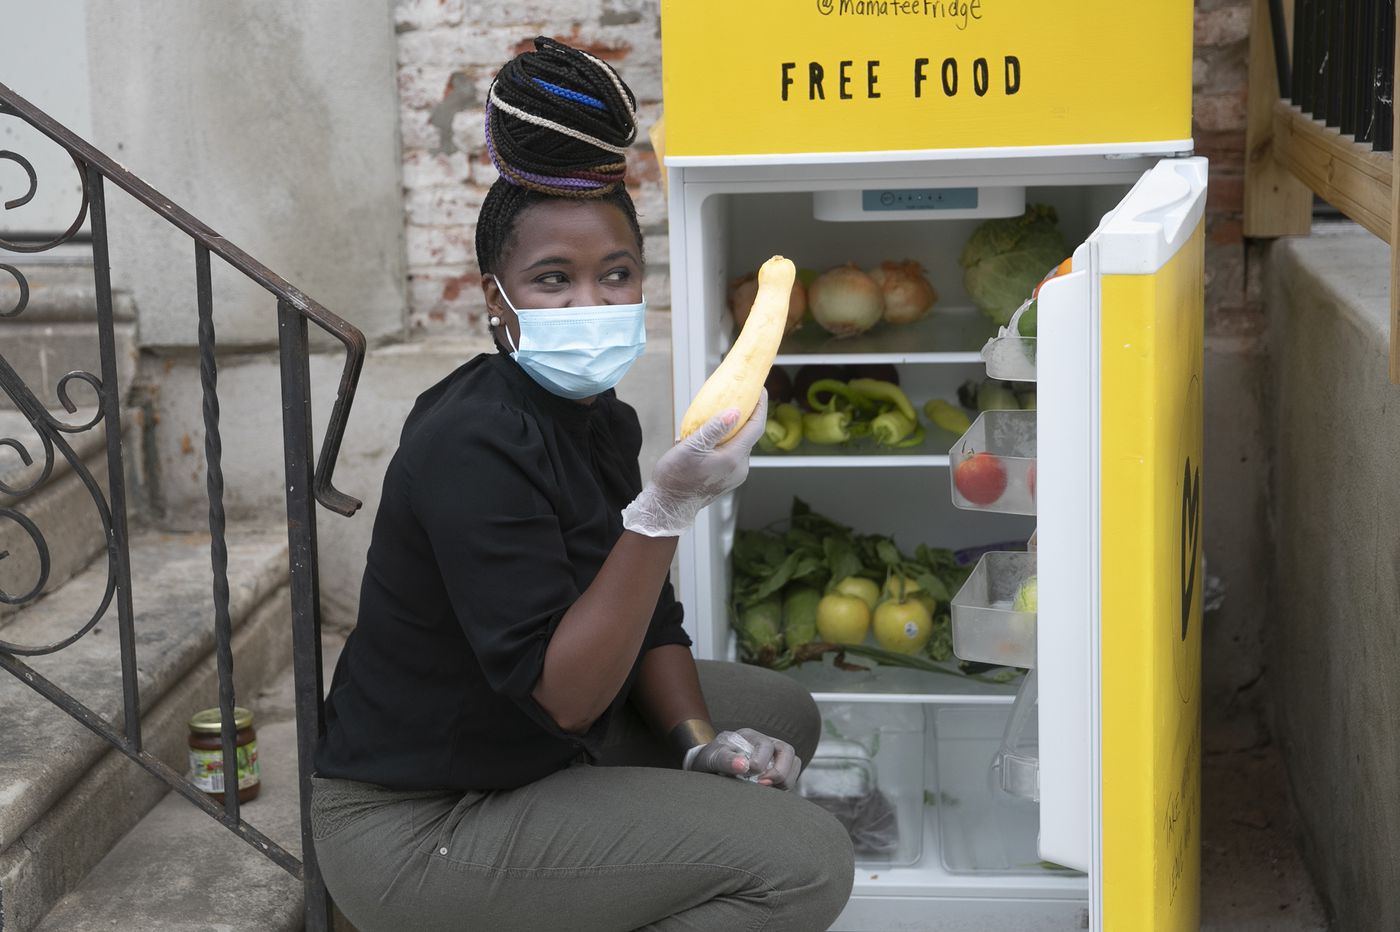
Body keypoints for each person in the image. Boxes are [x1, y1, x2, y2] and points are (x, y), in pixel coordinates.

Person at [310, 37, 855, 932]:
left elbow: (649, 620)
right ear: (497, 299)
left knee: (778, 712)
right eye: (552, 282)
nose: (591, 306)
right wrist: (666, 509)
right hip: (423, 822)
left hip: (534, 757)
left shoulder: (602, 417)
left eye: (616, 276)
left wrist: (697, 750)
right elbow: (561, 691)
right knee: (805, 866)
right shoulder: (470, 440)